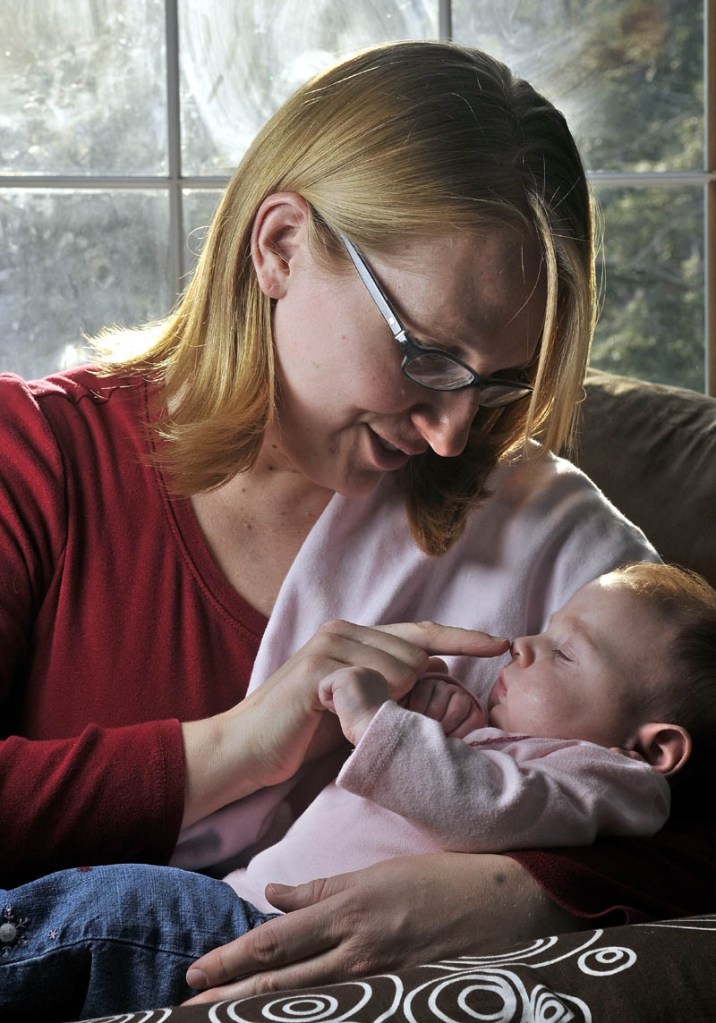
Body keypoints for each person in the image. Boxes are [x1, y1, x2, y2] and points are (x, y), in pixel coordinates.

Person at [0, 37, 711, 1016]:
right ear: (280, 246)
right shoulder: (31, 456)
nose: (454, 428)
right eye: (425, 354)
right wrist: (243, 744)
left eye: (499, 380)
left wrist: (507, 897)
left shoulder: (545, 532)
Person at [1, 560, 713, 1020]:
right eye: (544, 629)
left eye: (563, 651)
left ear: (653, 747)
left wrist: (379, 723)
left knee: (107, 913)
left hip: (280, 945)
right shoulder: (532, 751)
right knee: (92, 923)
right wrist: (441, 720)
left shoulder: (612, 780)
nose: (523, 643)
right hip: (247, 906)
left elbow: (485, 804)